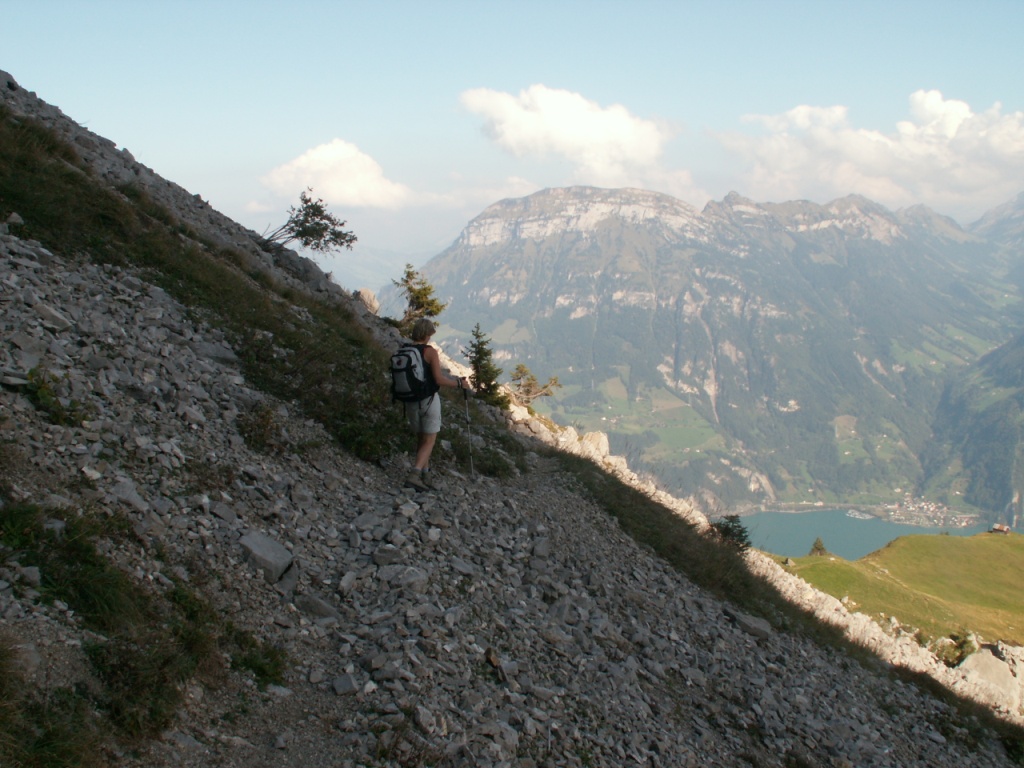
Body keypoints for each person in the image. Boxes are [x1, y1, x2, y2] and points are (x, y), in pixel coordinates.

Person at [404, 318, 470, 491]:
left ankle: (425, 474)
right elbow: (439, 379)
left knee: (421, 438)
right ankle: (414, 474)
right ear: (426, 334)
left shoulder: (405, 349)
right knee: (430, 439)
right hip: (428, 400)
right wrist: (459, 384)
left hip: (409, 401)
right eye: (430, 334)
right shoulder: (430, 352)